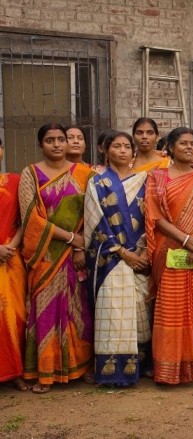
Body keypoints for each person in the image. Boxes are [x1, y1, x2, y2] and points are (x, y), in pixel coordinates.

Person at [19, 123, 96, 393]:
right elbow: (31, 218)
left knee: (79, 309)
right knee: (45, 310)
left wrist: (78, 247)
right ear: (41, 144)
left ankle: (82, 365)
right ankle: (45, 371)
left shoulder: (85, 173)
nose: (56, 144)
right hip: (44, 254)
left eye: (61, 139)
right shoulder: (30, 173)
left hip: (75, 254)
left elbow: (91, 214)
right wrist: (69, 238)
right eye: (50, 140)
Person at [145, 127, 193, 385]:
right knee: (171, 309)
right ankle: (169, 367)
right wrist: (186, 239)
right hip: (172, 248)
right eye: (184, 143)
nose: (189, 147)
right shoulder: (157, 177)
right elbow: (156, 217)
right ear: (171, 148)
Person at [84, 131, 151, 386]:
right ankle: (113, 372)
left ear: (133, 151)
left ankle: (142, 366)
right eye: (117, 146)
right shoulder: (98, 182)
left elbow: (152, 219)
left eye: (126, 146)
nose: (122, 150)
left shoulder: (145, 181)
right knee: (112, 311)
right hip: (111, 260)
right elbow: (95, 222)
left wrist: (142, 252)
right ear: (105, 150)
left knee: (139, 310)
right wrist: (123, 253)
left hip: (140, 257)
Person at [0, 138, 28, 391]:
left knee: (18, 315)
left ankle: (16, 371)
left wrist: (11, 246)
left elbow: (23, 218)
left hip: (11, 258)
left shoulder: (14, 181)